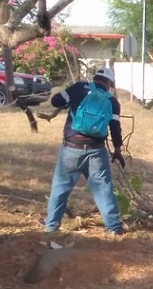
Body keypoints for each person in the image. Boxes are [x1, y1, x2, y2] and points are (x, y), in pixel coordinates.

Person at [44, 67, 126, 235]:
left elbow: (55, 101)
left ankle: (51, 227)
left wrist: (68, 96)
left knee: (60, 188)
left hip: (71, 149)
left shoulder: (79, 88)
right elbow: (115, 128)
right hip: (96, 152)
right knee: (103, 189)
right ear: (109, 83)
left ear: (94, 78)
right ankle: (114, 229)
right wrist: (117, 149)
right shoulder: (112, 101)